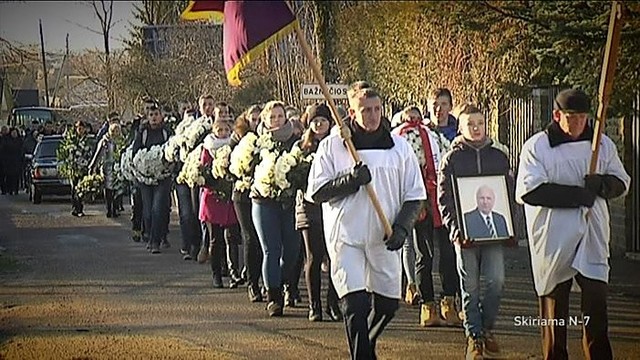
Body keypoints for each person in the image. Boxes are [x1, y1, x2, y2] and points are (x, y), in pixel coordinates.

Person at [307, 84, 426, 359]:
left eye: (376, 109)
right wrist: (350, 181)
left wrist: (402, 227)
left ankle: (366, 346)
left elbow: (415, 194)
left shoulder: (399, 147)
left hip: (383, 236)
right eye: (365, 110)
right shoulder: (334, 145)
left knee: (387, 306)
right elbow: (316, 191)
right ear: (351, 112)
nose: (372, 116)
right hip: (346, 235)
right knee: (355, 304)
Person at [515, 88, 630, 360]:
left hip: (592, 234)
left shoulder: (602, 145)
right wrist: (579, 195)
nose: (579, 123)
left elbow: (622, 181)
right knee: (555, 310)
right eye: (571, 117)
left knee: (596, 306)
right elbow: (529, 191)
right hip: (555, 236)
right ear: (557, 115)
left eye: (583, 117)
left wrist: (601, 184)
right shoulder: (537, 147)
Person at [438, 103, 515, 360]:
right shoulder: (452, 158)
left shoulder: (499, 156)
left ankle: (486, 328)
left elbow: (508, 194)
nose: (476, 128)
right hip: (465, 234)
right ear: (461, 128)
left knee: (497, 281)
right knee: (469, 286)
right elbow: (444, 198)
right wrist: (455, 230)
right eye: (470, 124)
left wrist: (511, 227)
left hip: (494, 234)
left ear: (486, 125)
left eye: (480, 123)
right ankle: (474, 337)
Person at [391, 106, 462, 327]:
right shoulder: (401, 138)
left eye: (416, 117)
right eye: (408, 117)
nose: (413, 121)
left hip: (439, 198)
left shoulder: (433, 136)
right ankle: (427, 304)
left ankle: (449, 302)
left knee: (448, 252)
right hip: (419, 199)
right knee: (423, 254)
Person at [249, 101, 300, 317]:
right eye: (272, 117)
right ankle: (274, 297)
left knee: (292, 252)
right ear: (264, 120)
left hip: (289, 204)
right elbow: (245, 169)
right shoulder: (256, 144)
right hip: (263, 202)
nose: (276, 120)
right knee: (271, 250)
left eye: (280, 116)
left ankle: (282, 281)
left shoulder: (296, 142)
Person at [294, 103, 341, 322]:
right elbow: (292, 176)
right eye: (315, 121)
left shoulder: (337, 146)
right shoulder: (301, 148)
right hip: (309, 209)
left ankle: (333, 302)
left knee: (334, 256)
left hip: (333, 207)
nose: (319, 124)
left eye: (323, 120)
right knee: (313, 256)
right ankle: (315, 306)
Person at [199, 120, 240, 288]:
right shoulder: (208, 148)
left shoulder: (234, 147)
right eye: (219, 130)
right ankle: (216, 274)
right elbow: (202, 171)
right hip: (213, 198)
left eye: (226, 130)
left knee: (231, 237)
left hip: (229, 198)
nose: (223, 132)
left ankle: (233, 272)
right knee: (215, 239)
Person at [230, 105, 264, 302]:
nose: (257, 123)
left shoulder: (270, 140)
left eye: (261, 119)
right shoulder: (238, 140)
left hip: (264, 194)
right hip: (243, 195)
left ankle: (267, 280)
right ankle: (253, 284)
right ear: (247, 120)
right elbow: (231, 166)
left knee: (264, 241)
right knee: (250, 238)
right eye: (254, 119)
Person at [132, 104, 173, 254]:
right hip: (145, 178)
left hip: (162, 178)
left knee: (158, 208)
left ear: (161, 116)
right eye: (151, 115)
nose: (154, 117)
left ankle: (155, 240)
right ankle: (149, 234)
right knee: (148, 210)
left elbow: (172, 151)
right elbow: (135, 152)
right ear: (147, 117)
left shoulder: (166, 132)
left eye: (156, 114)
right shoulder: (142, 132)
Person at [89, 123, 123, 218]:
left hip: (118, 168)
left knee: (117, 190)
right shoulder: (105, 141)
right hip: (107, 167)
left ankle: (115, 209)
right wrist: (92, 166)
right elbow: (98, 154)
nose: (116, 133)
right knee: (108, 189)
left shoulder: (120, 141)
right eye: (114, 131)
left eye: (117, 131)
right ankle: (109, 209)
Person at [0, 128, 24, 195]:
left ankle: (16, 189)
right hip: (8, 162)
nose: (14, 134)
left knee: (16, 176)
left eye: (15, 133)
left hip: (17, 161)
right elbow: (3, 150)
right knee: (9, 176)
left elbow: (22, 150)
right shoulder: (6, 140)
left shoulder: (20, 140)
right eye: (13, 133)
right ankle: (9, 189)